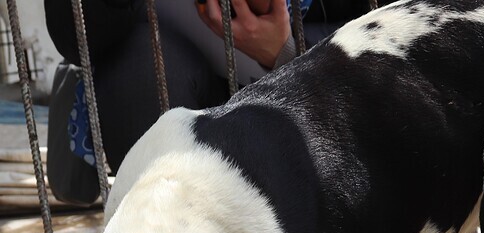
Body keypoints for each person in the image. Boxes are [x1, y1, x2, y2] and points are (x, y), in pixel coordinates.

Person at [44, 0, 371, 201]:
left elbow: (404, 20)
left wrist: (284, 49)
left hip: (311, 96)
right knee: (139, 65)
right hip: (171, 85)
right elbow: (75, 39)